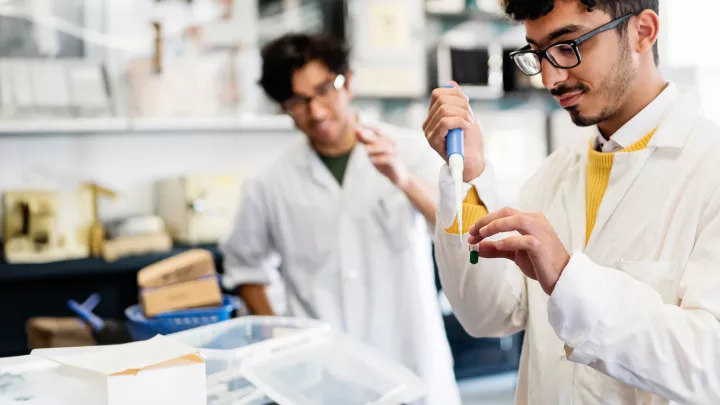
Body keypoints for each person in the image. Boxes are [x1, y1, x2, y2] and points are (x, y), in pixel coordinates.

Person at [425, 0, 720, 404]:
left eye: (568, 45)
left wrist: (567, 276)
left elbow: (710, 364)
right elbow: (487, 314)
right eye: (538, 53)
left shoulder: (710, 169)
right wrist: (470, 174)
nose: (550, 78)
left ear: (643, 31)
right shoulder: (555, 173)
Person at [221, 33, 461, 405]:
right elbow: (245, 268)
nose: (315, 112)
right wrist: (279, 338)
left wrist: (403, 179)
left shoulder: (409, 150)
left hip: (409, 361)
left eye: (323, 90)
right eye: (297, 101)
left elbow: (456, 223)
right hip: (320, 378)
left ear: (348, 81)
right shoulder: (268, 181)